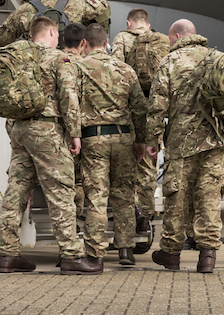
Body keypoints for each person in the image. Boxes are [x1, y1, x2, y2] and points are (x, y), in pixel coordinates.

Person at [0, 16, 100, 275]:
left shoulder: (20, 56)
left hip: (19, 129)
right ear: (52, 32)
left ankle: (8, 255)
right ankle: (71, 256)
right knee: (61, 191)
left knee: (15, 193)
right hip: (47, 131)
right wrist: (75, 133)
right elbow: (68, 96)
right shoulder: (58, 58)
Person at [146, 19, 224, 273]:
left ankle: (170, 253)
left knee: (177, 198)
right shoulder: (216, 58)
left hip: (181, 144)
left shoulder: (170, 61)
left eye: (169, 38)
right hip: (215, 143)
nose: (169, 42)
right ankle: (207, 256)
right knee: (209, 198)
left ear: (177, 35)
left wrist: (152, 140)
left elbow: (157, 106)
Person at [75, 23, 147, 269]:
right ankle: (125, 249)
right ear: (106, 43)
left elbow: (70, 106)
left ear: (84, 44)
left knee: (97, 197)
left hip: (93, 139)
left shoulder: (79, 68)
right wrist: (140, 140)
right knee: (124, 195)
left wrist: (73, 136)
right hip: (123, 138)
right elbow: (139, 107)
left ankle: (96, 253)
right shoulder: (126, 69)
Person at [111, 8, 169, 232]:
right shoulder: (162, 40)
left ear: (129, 23)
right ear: (147, 23)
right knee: (148, 165)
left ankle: (129, 212)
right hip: (154, 111)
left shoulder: (123, 38)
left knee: (127, 166)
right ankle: (145, 216)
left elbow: (116, 71)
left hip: (129, 111)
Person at [62, 22, 87, 219]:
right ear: (83, 43)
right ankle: (76, 219)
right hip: (83, 130)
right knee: (78, 179)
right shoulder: (87, 65)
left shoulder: (56, 61)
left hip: (58, 129)